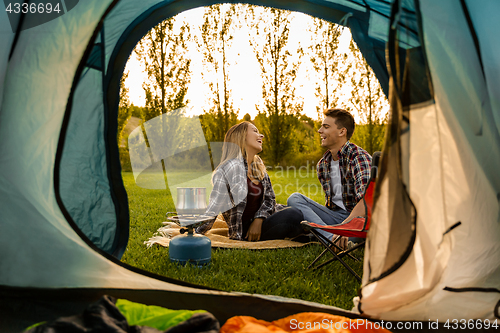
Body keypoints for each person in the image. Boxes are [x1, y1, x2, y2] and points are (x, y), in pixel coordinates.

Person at [196, 121, 304, 241]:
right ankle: (306, 235)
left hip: (263, 221)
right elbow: (214, 207)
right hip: (246, 231)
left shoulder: (258, 166)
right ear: (242, 137)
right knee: (293, 214)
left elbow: (270, 199)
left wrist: (259, 219)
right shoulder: (229, 168)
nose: (261, 135)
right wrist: (194, 232)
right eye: (255, 131)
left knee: (300, 209)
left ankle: (314, 233)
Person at [287, 108, 372, 249]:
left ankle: (328, 237)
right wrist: (337, 227)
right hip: (337, 218)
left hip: (361, 220)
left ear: (341, 131)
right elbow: (332, 205)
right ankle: (331, 238)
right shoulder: (323, 164)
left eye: (326, 127)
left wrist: (344, 228)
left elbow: (367, 201)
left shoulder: (358, 157)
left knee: (351, 228)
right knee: (295, 198)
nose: (320, 131)